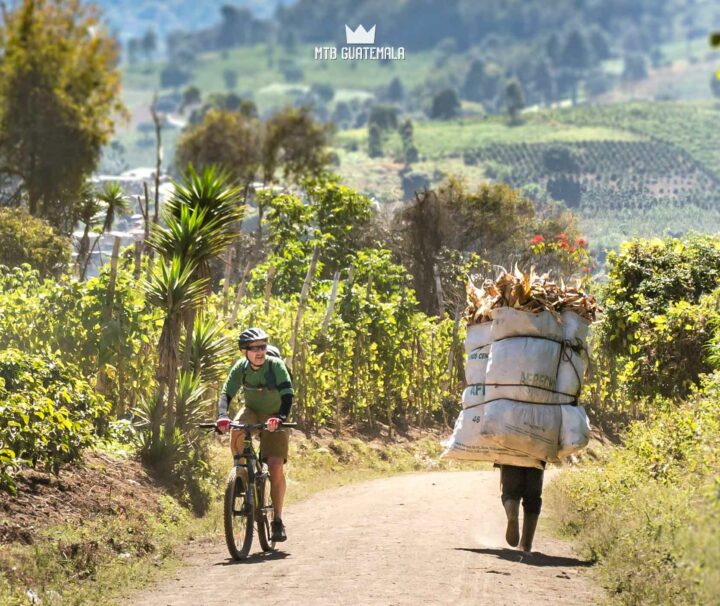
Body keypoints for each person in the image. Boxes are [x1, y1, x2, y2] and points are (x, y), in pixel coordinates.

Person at [215, 327, 294, 542]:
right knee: (236, 429)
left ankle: (277, 520)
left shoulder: (275, 365)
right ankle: (241, 474)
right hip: (252, 410)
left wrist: (280, 418)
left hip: (275, 414)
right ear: (244, 352)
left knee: (276, 465)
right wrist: (222, 416)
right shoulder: (240, 368)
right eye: (254, 348)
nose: (260, 351)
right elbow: (226, 393)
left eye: (263, 346)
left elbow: (288, 394)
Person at [500, 463, 544, 553]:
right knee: (533, 498)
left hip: (511, 454)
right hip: (536, 456)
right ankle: (526, 544)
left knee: (510, 493)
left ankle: (512, 517)